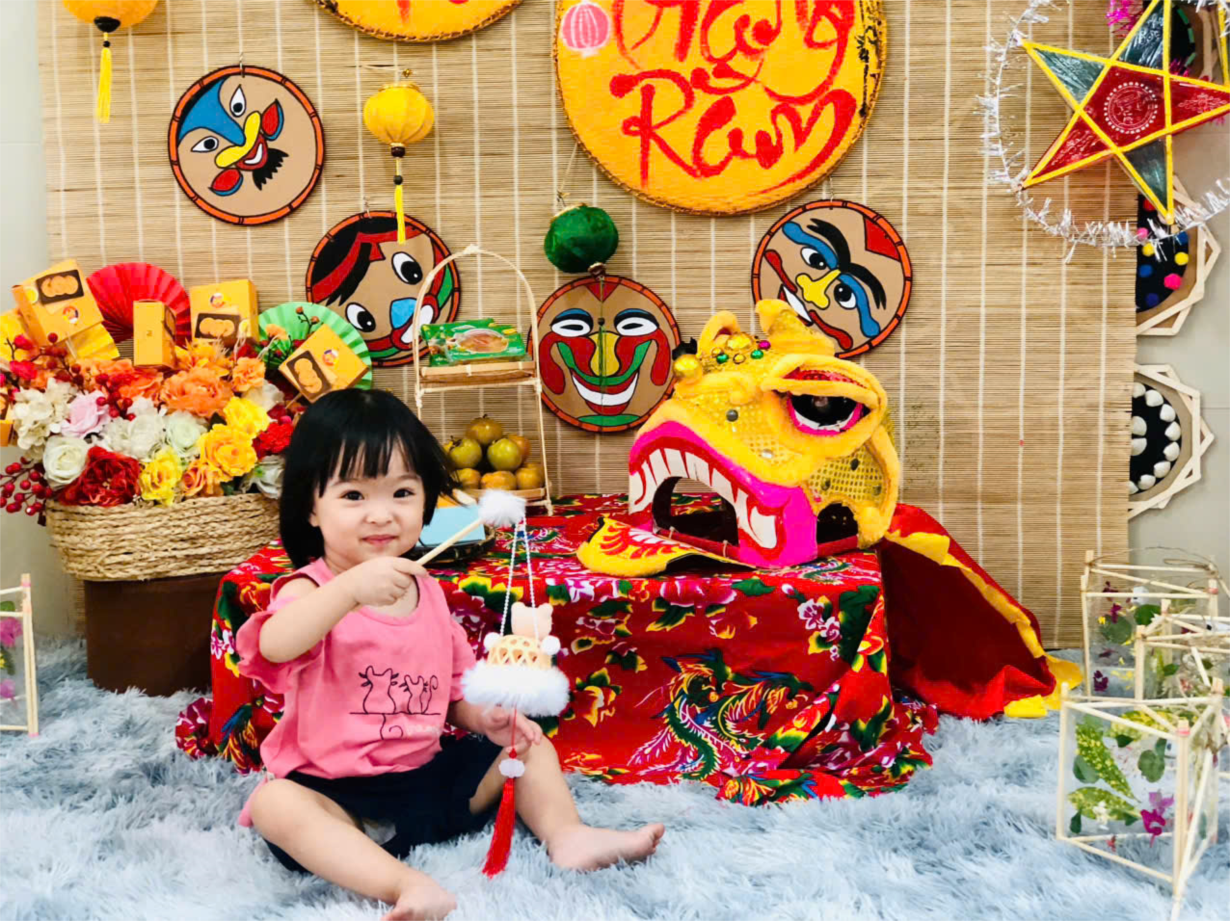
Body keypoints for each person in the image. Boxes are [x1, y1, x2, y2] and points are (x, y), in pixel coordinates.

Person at [234, 389, 664, 920]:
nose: (381, 515)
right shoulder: (310, 590)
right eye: (354, 496)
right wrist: (348, 592)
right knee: (276, 804)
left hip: (426, 781)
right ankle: (402, 883)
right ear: (311, 508)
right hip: (336, 794)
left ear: (427, 501)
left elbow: (455, 693)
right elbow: (275, 643)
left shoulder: (428, 592)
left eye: (402, 492)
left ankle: (568, 835)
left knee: (530, 745)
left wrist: (486, 718)